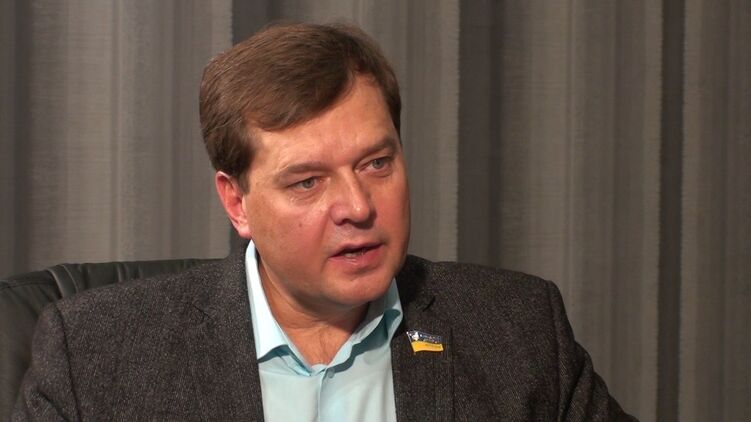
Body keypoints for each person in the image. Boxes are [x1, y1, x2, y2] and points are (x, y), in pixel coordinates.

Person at [13, 23, 636, 421]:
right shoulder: (95, 357)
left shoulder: (519, 331)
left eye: (376, 163)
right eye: (307, 182)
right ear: (237, 203)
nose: (358, 206)